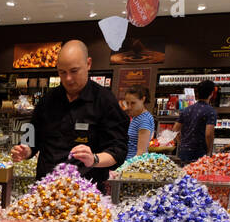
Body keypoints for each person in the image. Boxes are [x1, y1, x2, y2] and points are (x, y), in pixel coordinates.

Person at [10, 40, 128, 183]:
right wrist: (26, 150)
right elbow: (31, 139)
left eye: (74, 71)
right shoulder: (47, 101)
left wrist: (94, 159)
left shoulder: (105, 101)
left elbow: (118, 150)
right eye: (62, 72)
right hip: (45, 192)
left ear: (88, 64)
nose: (68, 78)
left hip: (86, 193)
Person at [177, 77, 218, 165]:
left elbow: (175, 130)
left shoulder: (186, 110)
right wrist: (209, 152)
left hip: (183, 152)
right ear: (211, 94)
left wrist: (182, 143)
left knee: (184, 176)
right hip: (200, 153)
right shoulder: (210, 111)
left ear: (197, 93)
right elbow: (209, 134)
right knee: (198, 177)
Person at [124, 86, 154, 160]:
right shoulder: (137, 117)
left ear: (143, 99)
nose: (129, 107)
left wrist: (127, 167)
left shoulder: (144, 119)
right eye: (127, 103)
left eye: (133, 103)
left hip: (132, 166)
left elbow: (141, 153)